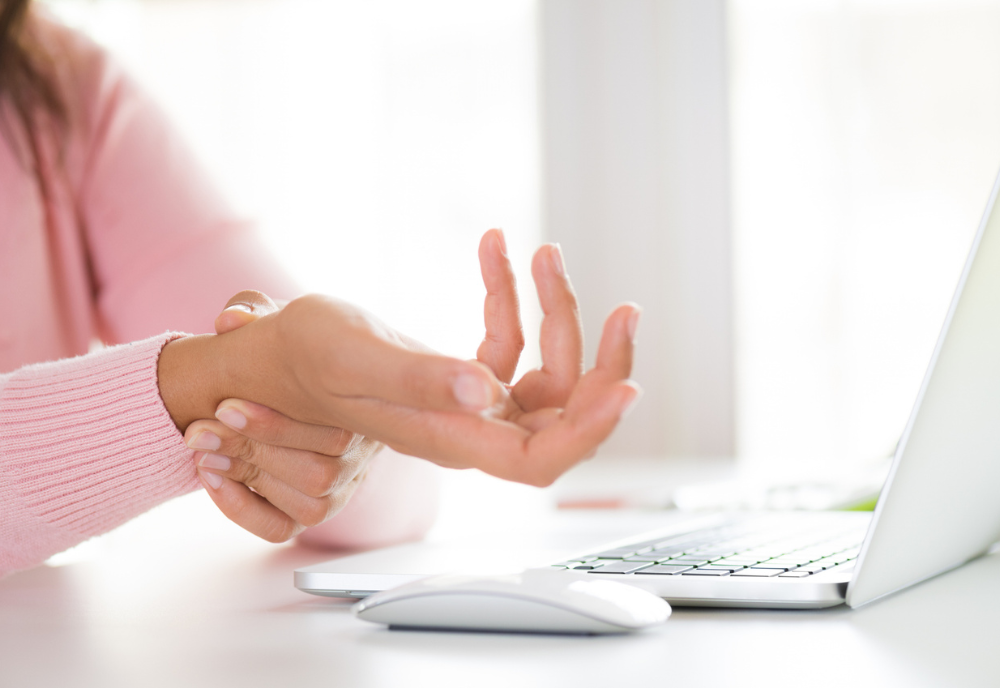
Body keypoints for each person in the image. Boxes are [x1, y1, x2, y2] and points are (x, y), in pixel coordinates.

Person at [0, 2, 641, 576]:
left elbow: (385, 493)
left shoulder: (54, 82)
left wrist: (397, 404)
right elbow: (247, 366)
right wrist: (202, 385)